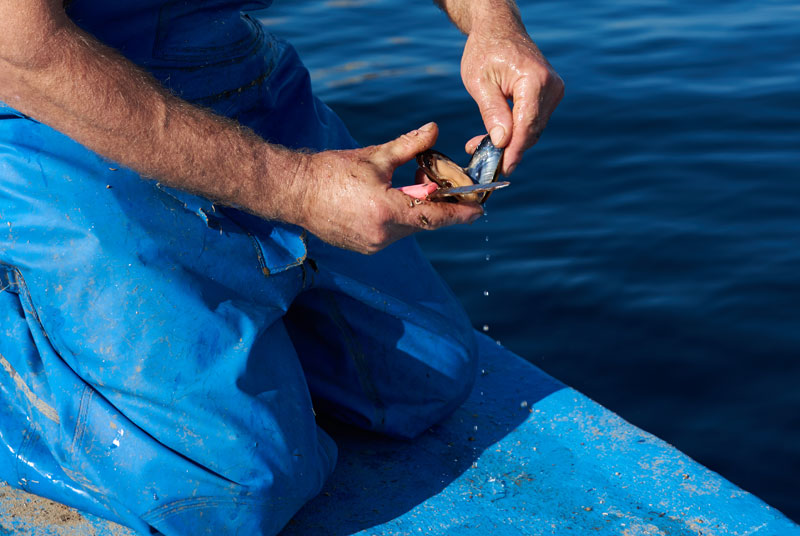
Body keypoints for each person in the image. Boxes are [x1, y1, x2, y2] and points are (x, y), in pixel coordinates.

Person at [0, 0, 563, 534]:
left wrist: (494, 22)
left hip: (237, 78)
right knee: (231, 493)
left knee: (425, 379)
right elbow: (21, 48)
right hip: (45, 112)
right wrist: (297, 188)